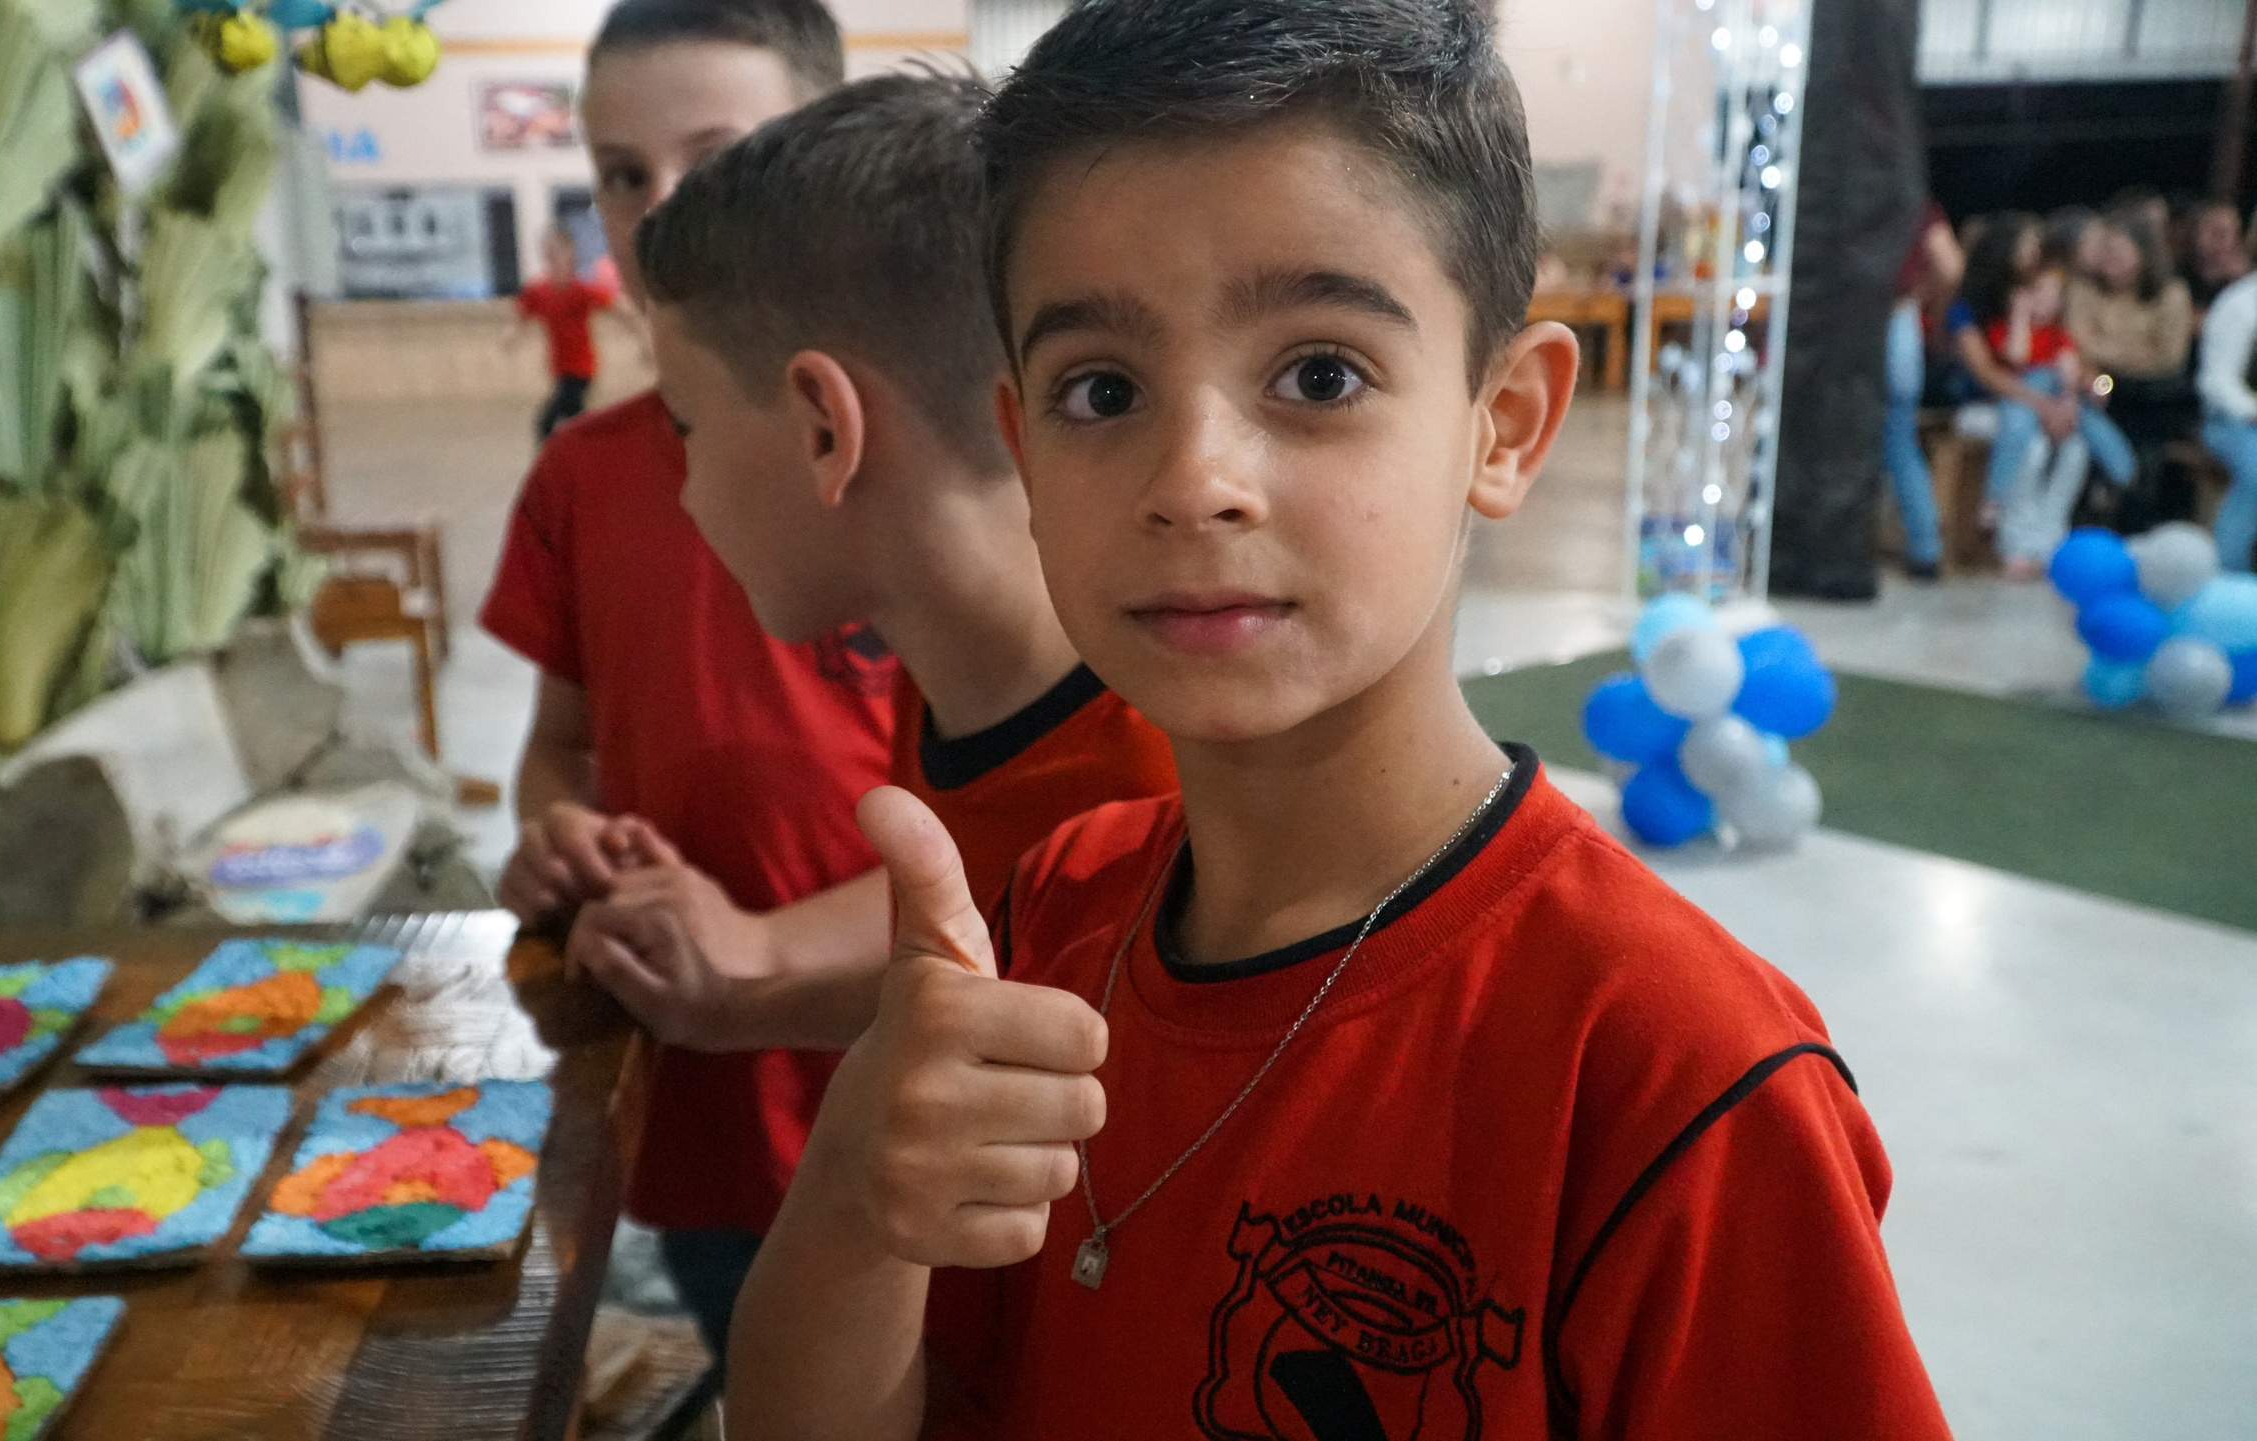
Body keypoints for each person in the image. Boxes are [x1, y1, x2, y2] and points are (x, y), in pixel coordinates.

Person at [727, 2, 1952, 1437]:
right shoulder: (1050, 924)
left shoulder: (1670, 1069)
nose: (1196, 479)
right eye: (1102, 390)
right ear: (1022, 448)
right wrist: (854, 1199)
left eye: (1320, 374)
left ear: (1504, 423)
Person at [475, 0, 893, 1399]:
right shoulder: (580, 482)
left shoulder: (935, 469)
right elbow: (559, 747)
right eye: (621, 172)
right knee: (762, 1374)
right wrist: (559, 833)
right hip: (696, 1097)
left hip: (894, 1084)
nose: (660, 213)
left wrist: (765, 951)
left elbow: (1027, 848)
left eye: (715, 160)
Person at [589, 74, 1179, 1056]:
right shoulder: (946, 662)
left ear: (824, 429)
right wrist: (741, 1003)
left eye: (686, 426)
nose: (686, 492)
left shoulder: (1164, 789)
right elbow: (973, 971)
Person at [1949, 212, 2135, 574]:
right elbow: (1992, 373)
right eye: (2030, 246)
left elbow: (2089, 371)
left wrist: (2096, 387)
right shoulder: (1978, 310)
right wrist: (2046, 406)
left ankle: (2050, 541)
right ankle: (2011, 543)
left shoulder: (2053, 321)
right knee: (2032, 451)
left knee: (2075, 451)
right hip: (1993, 406)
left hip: (2053, 405)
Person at [2070, 205, 2198, 529]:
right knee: (2097, 395)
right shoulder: (2083, 290)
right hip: (2100, 385)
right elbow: (2076, 342)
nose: (2108, 259)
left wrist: (2106, 348)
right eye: (2105, 251)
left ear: (2144, 252)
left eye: (2117, 251)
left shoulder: (2172, 294)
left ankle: (2136, 518)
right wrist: (2133, 350)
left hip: (2153, 395)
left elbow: (2167, 358)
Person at [1887, 204, 1962, 579]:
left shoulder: (1842, 198)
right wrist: (1930, 302)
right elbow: (1951, 265)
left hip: (1850, 321)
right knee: (1900, 441)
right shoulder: (1917, 206)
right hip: (1901, 319)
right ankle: (1925, 548)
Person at [510, 226, 620, 441]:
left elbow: (618, 307)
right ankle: (597, 449)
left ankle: (556, 460)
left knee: (547, 422)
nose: (554, 258)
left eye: (558, 252)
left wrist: (644, 336)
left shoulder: (582, 290)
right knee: (576, 420)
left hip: (581, 368)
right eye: (549, 252)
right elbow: (523, 315)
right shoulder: (539, 292)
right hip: (559, 367)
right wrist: (512, 336)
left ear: (570, 254)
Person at [2199, 264, 2257, 571]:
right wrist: (2251, 410)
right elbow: (2216, 383)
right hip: (2232, 423)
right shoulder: (2240, 304)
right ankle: (2227, 574)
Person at [2183, 199, 2251, 316]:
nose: (2220, 241)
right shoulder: (2180, 277)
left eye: (2227, 234)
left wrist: (2240, 281)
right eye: (2215, 232)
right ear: (2195, 234)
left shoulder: (2247, 279)